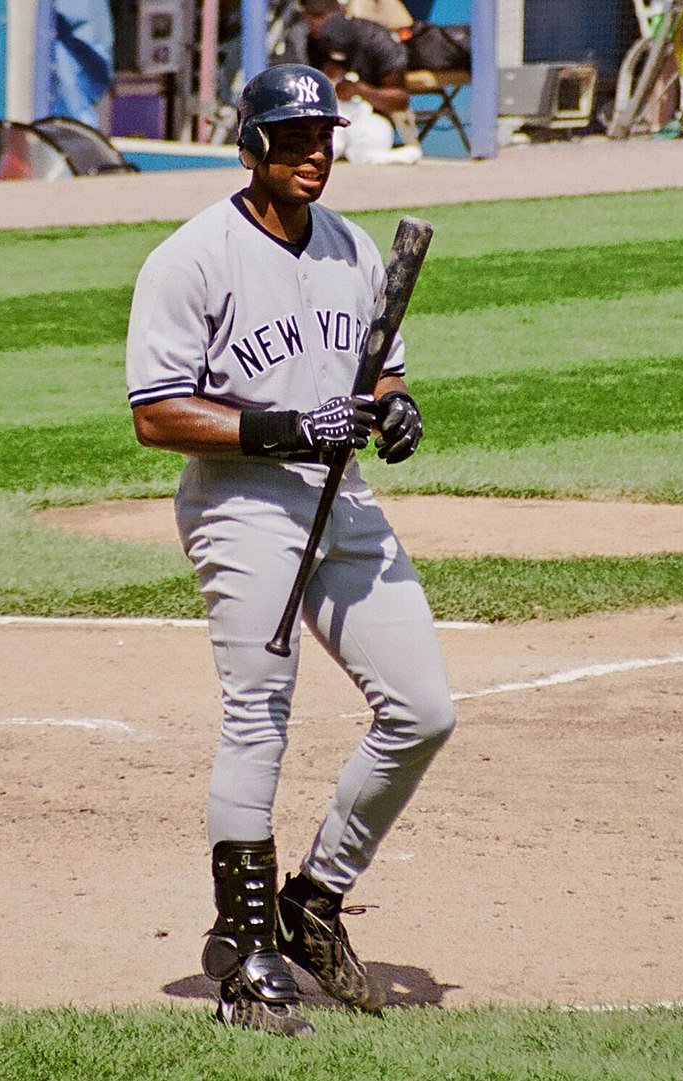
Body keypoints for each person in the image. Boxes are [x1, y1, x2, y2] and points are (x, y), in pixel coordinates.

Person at [126, 63, 455, 1036]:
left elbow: (380, 370)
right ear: (253, 143)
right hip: (242, 506)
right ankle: (244, 956)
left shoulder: (352, 248)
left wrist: (394, 412)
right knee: (257, 715)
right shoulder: (192, 258)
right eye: (295, 138)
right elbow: (156, 415)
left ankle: (311, 902)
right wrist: (283, 430)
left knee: (423, 709)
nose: (316, 154)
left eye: (326, 137)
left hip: (339, 499)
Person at [278, 0, 421, 163]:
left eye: (324, 16)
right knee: (323, 140)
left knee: (372, 139)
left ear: (342, 11)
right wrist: (321, 84)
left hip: (369, 117)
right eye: (312, 17)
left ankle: (386, 156)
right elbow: (287, 93)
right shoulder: (301, 39)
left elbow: (400, 100)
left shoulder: (375, 38)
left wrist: (360, 90)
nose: (318, 24)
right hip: (322, 116)